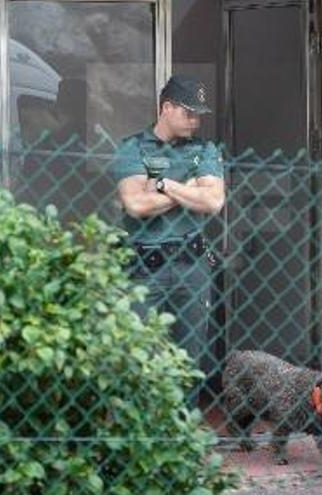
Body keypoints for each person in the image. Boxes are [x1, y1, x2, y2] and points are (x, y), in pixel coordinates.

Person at [111, 75, 225, 407]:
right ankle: (141, 439)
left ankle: (181, 438)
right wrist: (189, 188)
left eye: (198, 114)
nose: (195, 120)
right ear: (166, 108)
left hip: (192, 268)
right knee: (138, 358)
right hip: (144, 270)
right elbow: (136, 204)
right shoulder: (134, 147)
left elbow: (214, 202)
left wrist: (162, 186)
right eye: (188, 112)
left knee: (188, 361)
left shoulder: (204, 149)